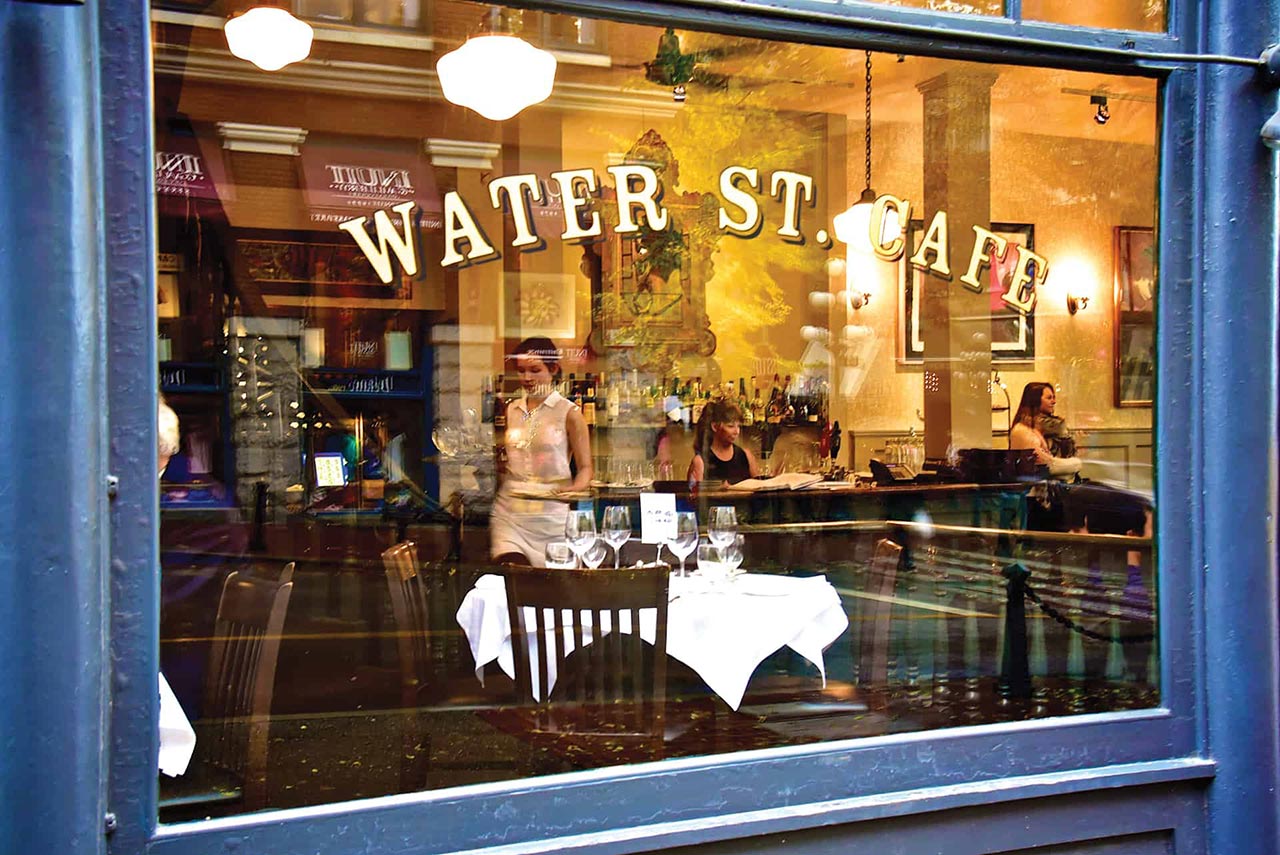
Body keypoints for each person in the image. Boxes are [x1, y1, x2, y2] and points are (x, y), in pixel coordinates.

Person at [490, 337, 593, 567]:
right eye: (521, 370)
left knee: (551, 584)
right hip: (510, 514)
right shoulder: (512, 409)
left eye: (535, 370)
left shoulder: (569, 413)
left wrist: (574, 489)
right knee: (513, 577)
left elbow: (586, 468)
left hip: (551, 518)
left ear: (553, 369)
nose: (527, 377)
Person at [1010, 382, 1081, 477]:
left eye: (1053, 397)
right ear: (1035, 400)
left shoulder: (1032, 428)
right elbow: (1046, 465)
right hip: (1034, 484)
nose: (1054, 401)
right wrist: (1077, 463)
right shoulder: (1023, 430)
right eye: (1049, 398)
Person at [687, 399, 761, 485]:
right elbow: (694, 492)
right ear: (715, 427)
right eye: (730, 426)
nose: (737, 432)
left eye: (738, 426)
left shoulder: (746, 456)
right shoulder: (700, 461)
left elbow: (759, 488)